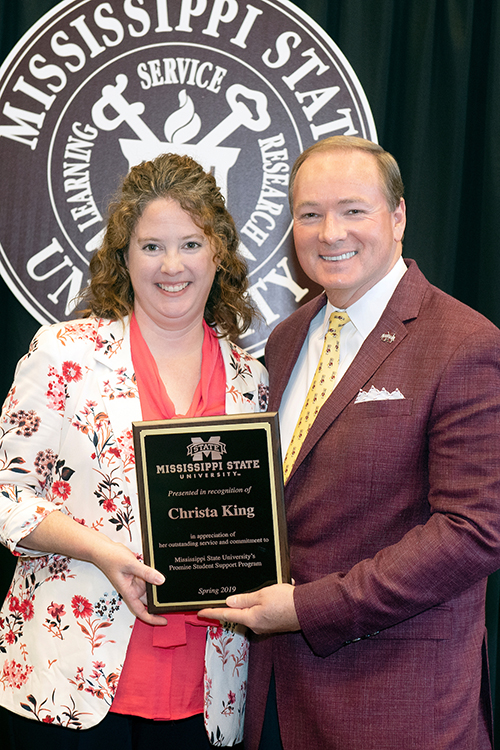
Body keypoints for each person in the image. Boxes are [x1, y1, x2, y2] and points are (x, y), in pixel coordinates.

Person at [199, 136, 500, 749]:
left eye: (353, 210)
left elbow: (475, 533)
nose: (329, 231)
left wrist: (310, 609)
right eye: (309, 214)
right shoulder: (285, 340)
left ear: (398, 216)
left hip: (399, 704)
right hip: (278, 698)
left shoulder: (463, 343)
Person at [0, 152, 268, 749]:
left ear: (218, 252)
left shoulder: (252, 378)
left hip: (210, 691)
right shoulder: (63, 356)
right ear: (122, 256)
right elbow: (8, 497)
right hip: (71, 680)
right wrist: (102, 551)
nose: (172, 266)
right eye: (151, 247)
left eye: (191, 244)